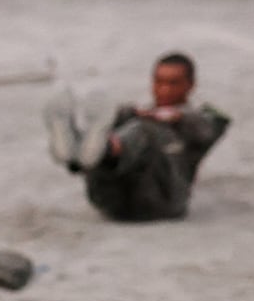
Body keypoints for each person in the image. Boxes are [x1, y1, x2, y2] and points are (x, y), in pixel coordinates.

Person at [43, 53, 232, 222]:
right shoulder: (138, 115)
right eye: (159, 82)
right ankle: (82, 150)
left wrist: (176, 118)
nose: (164, 90)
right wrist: (132, 112)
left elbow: (209, 128)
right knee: (118, 120)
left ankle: (103, 150)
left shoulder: (201, 119)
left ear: (191, 85)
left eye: (173, 83)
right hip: (112, 202)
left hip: (162, 202)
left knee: (143, 130)